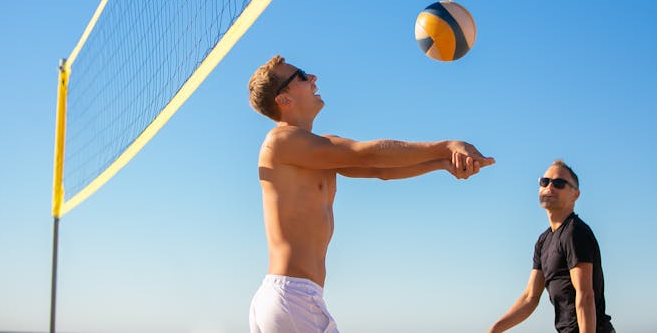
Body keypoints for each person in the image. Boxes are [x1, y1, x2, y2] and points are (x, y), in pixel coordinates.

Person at [247, 55, 495, 332]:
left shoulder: (319, 146)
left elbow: (379, 168)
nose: (314, 78)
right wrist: (446, 146)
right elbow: (367, 154)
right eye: (303, 75)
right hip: (292, 297)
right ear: (283, 100)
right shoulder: (280, 141)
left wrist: (443, 163)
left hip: (292, 298)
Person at [488, 160, 615, 333]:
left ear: (575, 194)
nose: (549, 187)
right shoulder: (543, 241)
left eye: (559, 183)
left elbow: (585, 295)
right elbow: (530, 298)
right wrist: (495, 329)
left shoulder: (575, 232)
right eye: (544, 181)